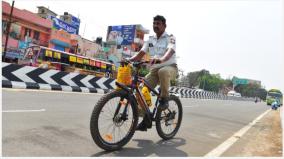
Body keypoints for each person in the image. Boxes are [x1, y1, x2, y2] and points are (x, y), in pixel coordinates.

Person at [128, 15, 178, 131]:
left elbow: (170, 51)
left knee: (163, 71)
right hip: (155, 70)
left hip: (170, 67)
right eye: (154, 23)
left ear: (164, 25)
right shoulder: (150, 39)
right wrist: (129, 60)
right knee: (140, 90)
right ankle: (146, 119)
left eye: (158, 24)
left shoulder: (171, 37)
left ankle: (164, 99)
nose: (155, 26)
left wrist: (162, 59)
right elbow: (141, 53)